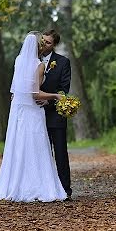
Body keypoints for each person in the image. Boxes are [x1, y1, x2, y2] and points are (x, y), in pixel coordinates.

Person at [0, 32, 67, 202]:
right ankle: (38, 186)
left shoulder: (19, 60)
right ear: (38, 46)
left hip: (18, 111)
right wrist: (56, 96)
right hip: (33, 111)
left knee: (19, 146)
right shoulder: (38, 65)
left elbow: (15, 90)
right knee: (36, 147)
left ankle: (14, 184)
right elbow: (35, 94)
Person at [39, 29, 72, 200]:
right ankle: (41, 189)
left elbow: (63, 89)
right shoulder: (30, 59)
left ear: (55, 45)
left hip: (55, 115)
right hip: (34, 116)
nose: (44, 44)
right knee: (38, 153)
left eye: (48, 42)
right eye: (42, 40)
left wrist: (49, 101)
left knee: (60, 153)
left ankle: (65, 190)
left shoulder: (63, 62)